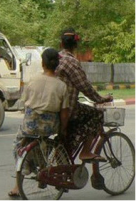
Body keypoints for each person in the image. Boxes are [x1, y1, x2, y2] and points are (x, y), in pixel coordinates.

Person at [8, 48, 70, 197]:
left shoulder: (33, 80)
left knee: (19, 145)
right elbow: (64, 112)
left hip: (31, 124)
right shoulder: (61, 85)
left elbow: (25, 105)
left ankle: (19, 181)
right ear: (57, 65)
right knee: (48, 144)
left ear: (43, 63)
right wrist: (63, 129)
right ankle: (50, 176)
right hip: (49, 125)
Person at [55, 28, 113, 161]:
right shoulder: (70, 62)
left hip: (53, 104)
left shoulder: (55, 59)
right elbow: (84, 86)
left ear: (61, 44)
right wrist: (100, 99)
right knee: (96, 114)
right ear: (75, 45)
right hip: (67, 107)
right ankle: (86, 152)